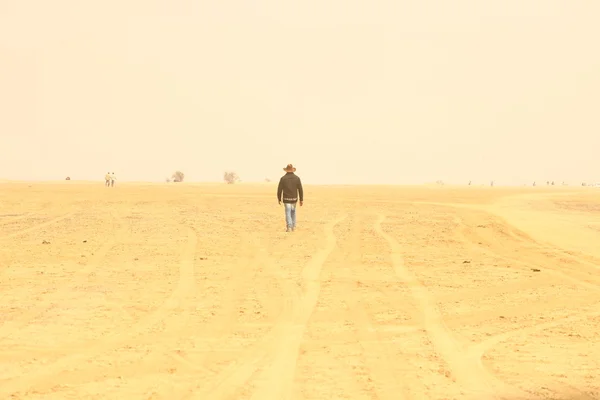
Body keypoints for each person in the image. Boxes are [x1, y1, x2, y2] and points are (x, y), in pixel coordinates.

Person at [277, 164, 303, 232]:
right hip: (294, 199)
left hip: (286, 199)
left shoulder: (283, 179)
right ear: (292, 169)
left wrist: (279, 198)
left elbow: (279, 189)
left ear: (286, 170)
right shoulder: (297, 178)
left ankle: (289, 227)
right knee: (293, 212)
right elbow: (300, 189)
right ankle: (293, 227)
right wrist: (301, 199)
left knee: (288, 212)